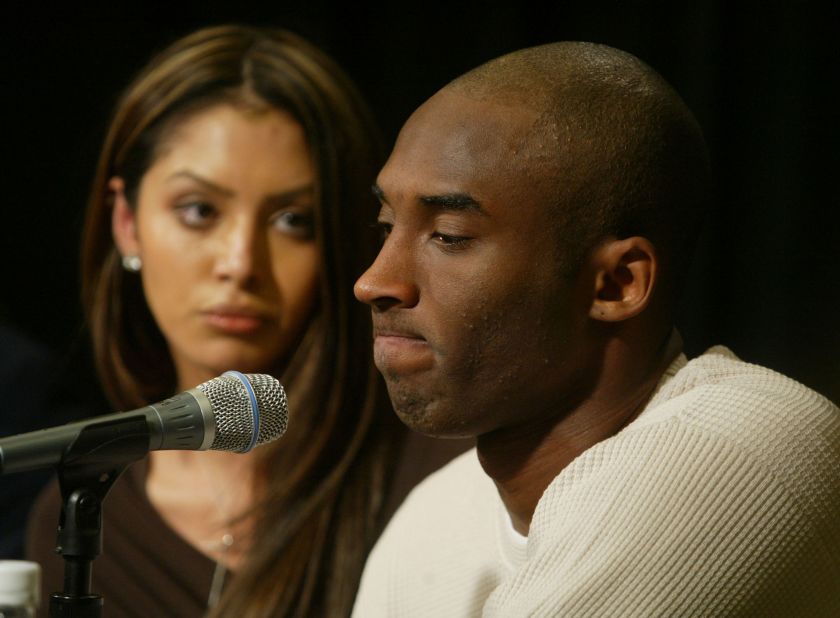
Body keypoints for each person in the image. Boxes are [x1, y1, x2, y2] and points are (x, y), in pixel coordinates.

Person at [351, 42, 840, 616]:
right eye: (386, 226)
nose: (373, 281)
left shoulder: (743, 442)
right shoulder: (431, 520)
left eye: (450, 235)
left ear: (617, 284)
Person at [25, 24, 423, 617]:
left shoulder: (434, 482)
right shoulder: (83, 521)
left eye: (293, 221)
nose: (240, 264)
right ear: (127, 223)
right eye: (199, 210)